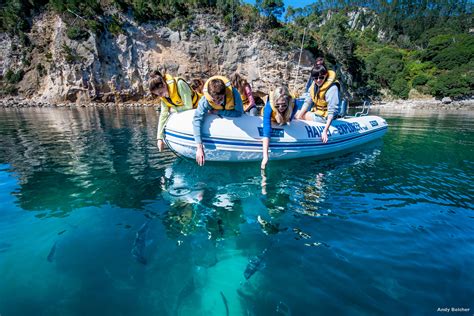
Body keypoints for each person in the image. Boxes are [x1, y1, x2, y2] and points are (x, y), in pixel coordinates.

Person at [193, 75, 243, 166]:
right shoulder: (205, 100)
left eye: (220, 99)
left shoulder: (234, 94)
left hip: (229, 115)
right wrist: (199, 147)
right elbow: (197, 120)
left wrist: (219, 112)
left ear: (224, 94)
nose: (217, 102)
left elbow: (239, 113)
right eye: (214, 100)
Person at [149, 70, 200, 152]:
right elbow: (163, 115)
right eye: (158, 94)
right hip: (187, 115)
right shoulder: (163, 96)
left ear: (164, 84)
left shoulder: (179, 84)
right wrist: (159, 138)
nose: (161, 96)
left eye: (161, 92)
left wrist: (174, 109)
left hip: (199, 108)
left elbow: (188, 106)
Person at [295, 57, 340, 144]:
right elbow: (308, 101)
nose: (318, 80)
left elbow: (332, 111)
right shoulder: (314, 84)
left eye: (321, 77)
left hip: (325, 117)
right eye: (315, 78)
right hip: (317, 113)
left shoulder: (332, 88)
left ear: (326, 75)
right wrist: (299, 116)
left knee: (297, 114)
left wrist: (325, 130)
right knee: (295, 113)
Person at [261, 86, 297, 170]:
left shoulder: (294, 103)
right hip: (272, 116)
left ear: (288, 102)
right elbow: (267, 130)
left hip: (285, 116)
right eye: (278, 105)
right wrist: (265, 157)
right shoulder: (269, 107)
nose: (280, 108)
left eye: (283, 105)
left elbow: (291, 116)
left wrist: (288, 119)